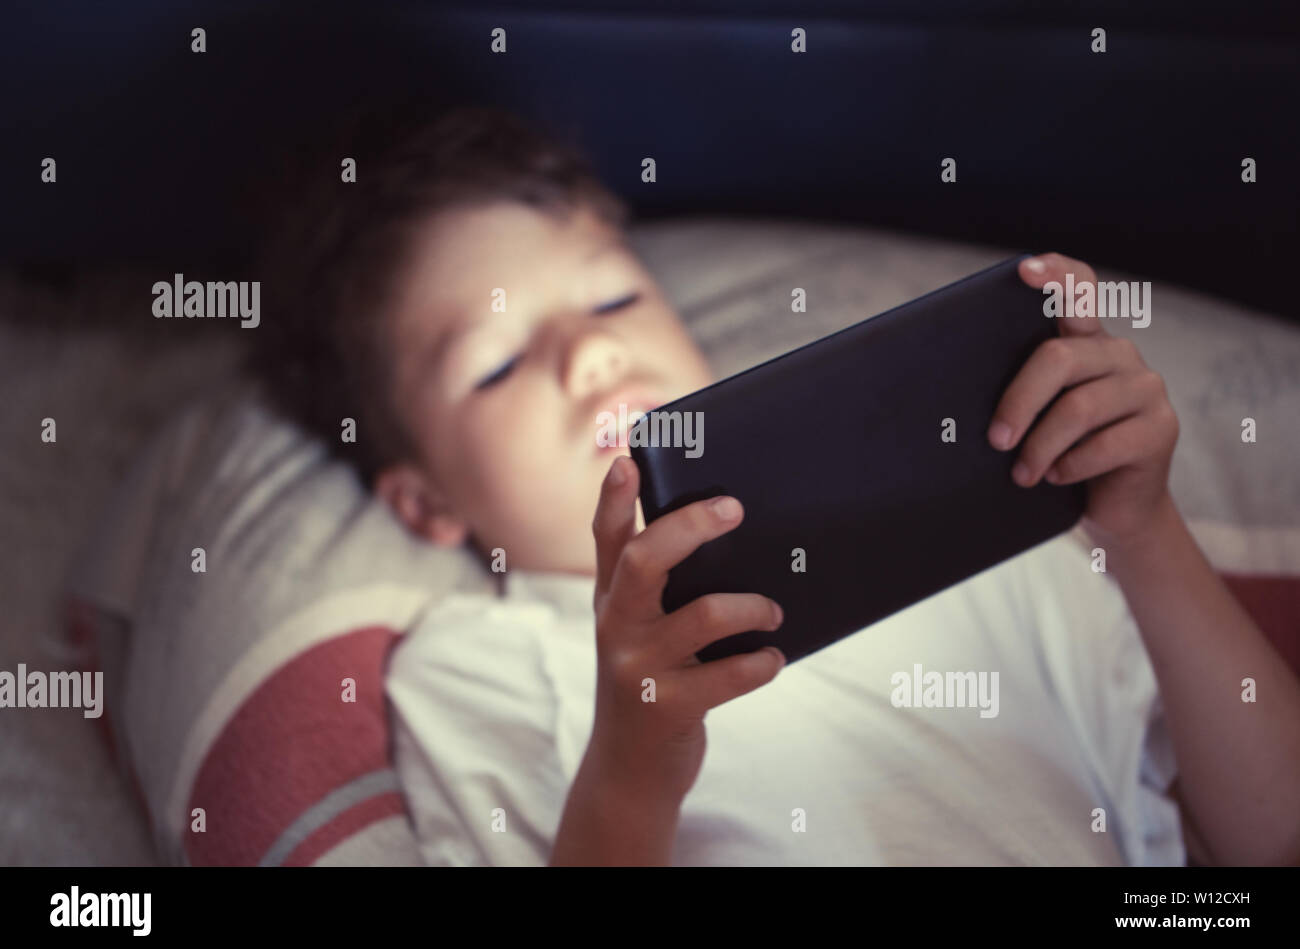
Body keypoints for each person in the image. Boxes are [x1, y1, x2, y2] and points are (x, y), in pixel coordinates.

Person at [251, 105, 1300, 866]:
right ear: (425, 504)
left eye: (613, 299)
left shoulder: (982, 535)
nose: (589, 360)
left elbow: (1270, 832)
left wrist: (1142, 529)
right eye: (494, 363)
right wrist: (629, 762)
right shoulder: (475, 663)